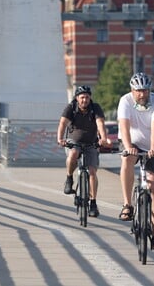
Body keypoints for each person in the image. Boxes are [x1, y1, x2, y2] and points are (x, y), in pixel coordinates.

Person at [117, 72, 154, 251]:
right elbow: (124, 126)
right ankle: (127, 204)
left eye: (145, 91)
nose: (142, 94)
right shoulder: (125, 101)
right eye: (138, 91)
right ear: (132, 91)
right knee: (128, 159)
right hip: (133, 142)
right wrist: (129, 146)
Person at [57, 85, 109, 218]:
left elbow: (100, 124)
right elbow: (62, 124)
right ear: (77, 98)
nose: (84, 100)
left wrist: (103, 138)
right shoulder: (71, 108)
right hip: (74, 142)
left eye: (87, 97)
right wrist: (60, 139)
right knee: (73, 153)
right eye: (82, 97)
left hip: (91, 143)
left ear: (90, 98)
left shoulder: (95, 108)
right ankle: (69, 178)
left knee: (92, 172)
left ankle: (93, 203)